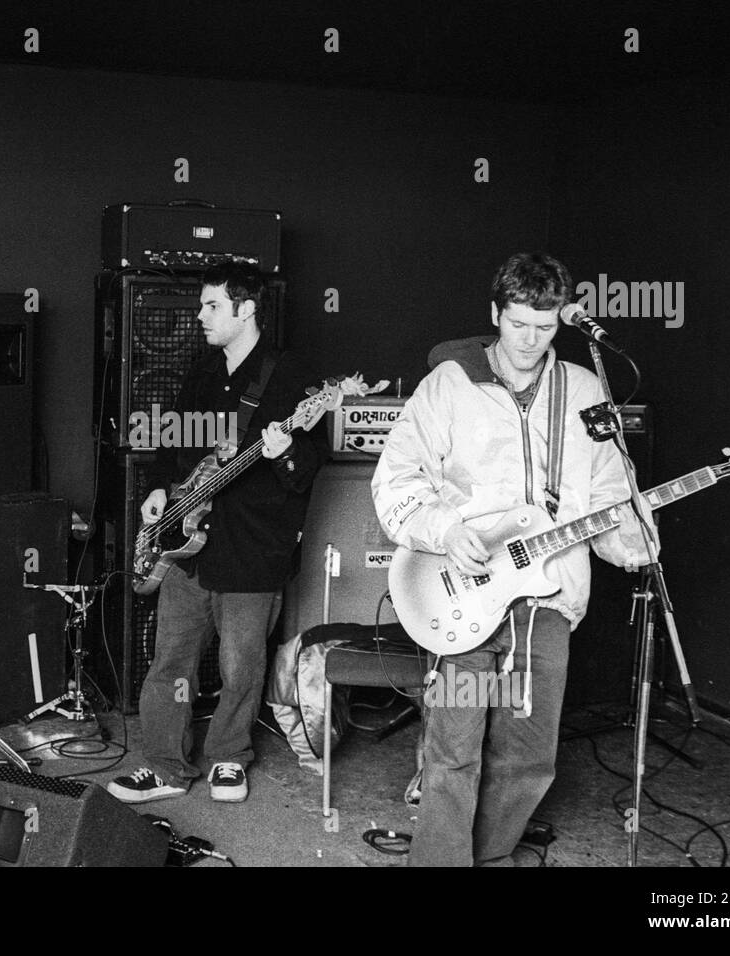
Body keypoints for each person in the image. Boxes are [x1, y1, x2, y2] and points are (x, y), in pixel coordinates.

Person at [371, 252, 659, 866]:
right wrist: (445, 530)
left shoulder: (585, 390)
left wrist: (632, 540)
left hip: (548, 603)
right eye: (519, 324)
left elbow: (610, 494)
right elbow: (395, 481)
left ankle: (493, 855)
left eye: (546, 326)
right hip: (465, 596)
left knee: (529, 754)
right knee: (454, 747)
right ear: (495, 313)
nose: (530, 341)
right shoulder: (448, 385)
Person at [108, 261, 329, 804]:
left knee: (240, 666)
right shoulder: (202, 371)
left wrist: (286, 452)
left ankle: (229, 758)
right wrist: (161, 485)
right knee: (170, 663)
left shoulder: (293, 377)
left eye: (212, 307)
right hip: (188, 545)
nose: (200, 316)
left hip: (253, 549)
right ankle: (164, 766)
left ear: (246, 309)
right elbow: (172, 440)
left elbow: (309, 467)